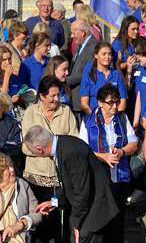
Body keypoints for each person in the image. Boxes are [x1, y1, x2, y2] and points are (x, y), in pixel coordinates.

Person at [22, 126, 119, 243]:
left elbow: (82, 192)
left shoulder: (71, 152)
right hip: (86, 209)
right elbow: (69, 184)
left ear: (39, 149)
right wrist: (54, 202)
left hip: (93, 210)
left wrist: (76, 224)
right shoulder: (61, 144)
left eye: (33, 153)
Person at [20, 75, 77, 243]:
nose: (56, 99)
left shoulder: (66, 112)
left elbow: (74, 141)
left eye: (58, 95)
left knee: (59, 226)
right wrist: (48, 151)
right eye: (52, 96)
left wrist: (56, 151)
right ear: (42, 96)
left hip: (59, 180)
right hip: (35, 179)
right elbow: (25, 146)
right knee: (38, 223)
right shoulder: (31, 112)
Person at [80, 83, 139, 233]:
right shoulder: (87, 122)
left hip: (119, 177)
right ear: (100, 103)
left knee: (118, 220)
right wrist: (103, 156)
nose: (115, 106)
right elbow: (83, 151)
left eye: (117, 102)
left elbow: (134, 144)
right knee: (101, 220)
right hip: (99, 178)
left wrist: (121, 152)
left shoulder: (123, 119)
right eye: (110, 103)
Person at [80, 42, 126, 116]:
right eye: (103, 54)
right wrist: (95, 119)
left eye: (109, 54)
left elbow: (122, 101)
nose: (107, 57)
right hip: (94, 118)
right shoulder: (89, 73)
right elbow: (84, 104)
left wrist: (115, 119)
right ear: (96, 55)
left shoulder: (116, 74)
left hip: (114, 119)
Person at [66, 20, 97, 111]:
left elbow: (87, 73)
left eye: (73, 33)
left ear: (82, 33)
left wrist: (65, 81)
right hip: (76, 99)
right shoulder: (80, 46)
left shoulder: (94, 46)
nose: (72, 36)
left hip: (84, 100)